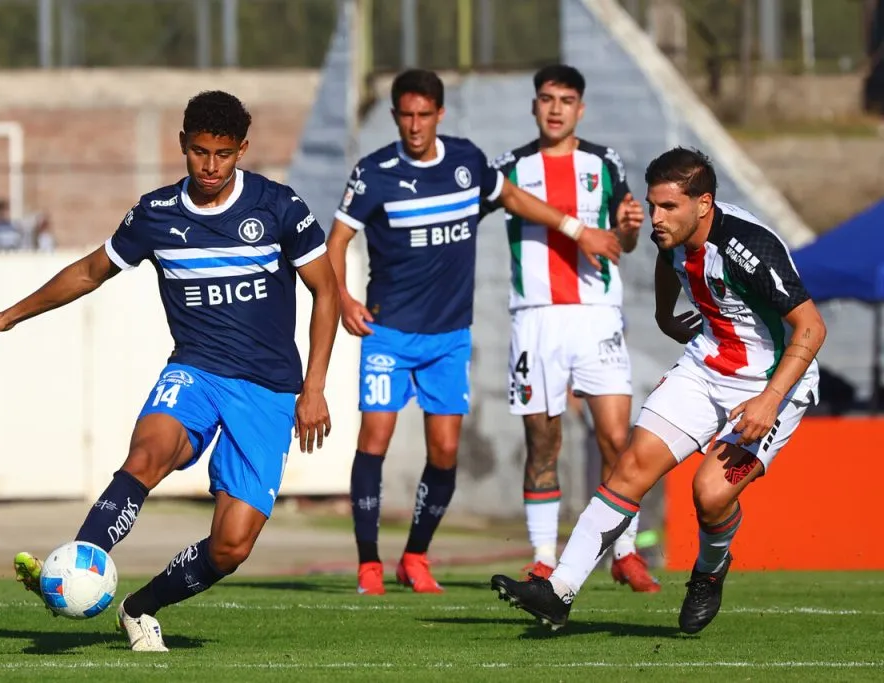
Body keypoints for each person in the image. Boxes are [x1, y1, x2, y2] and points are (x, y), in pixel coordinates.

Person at [0, 91, 340, 651]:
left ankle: (141, 607)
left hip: (267, 389)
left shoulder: (279, 207)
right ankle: (76, 566)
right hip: (195, 371)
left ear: (242, 149)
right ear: (183, 146)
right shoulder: (157, 215)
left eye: (222, 154)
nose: (209, 167)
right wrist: (9, 315)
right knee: (146, 456)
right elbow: (91, 270)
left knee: (232, 546)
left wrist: (314, 387)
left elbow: (326, 291)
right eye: (198, 152)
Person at [490, 147, 826, 634]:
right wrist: (664, 316)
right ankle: (558, 591)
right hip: (707, 364)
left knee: (709, 494)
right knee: (631, 466)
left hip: (774, 381)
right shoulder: (673, 232)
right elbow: (668, 263)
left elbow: (812, 329)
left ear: (704, 203)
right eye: (652, 205)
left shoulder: (749, 248)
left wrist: (770, 401)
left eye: (668, 207)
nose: (655, 217)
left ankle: (709, 572)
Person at [327, 68, 622, 595]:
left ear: (439, 115)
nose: (415, 126)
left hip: (448, 338)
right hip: (388, 332)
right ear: (395, 117)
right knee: (375, 438)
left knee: (444, 451)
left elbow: (514, 198)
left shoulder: (466, 162)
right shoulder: (373, 174)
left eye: (424, 115)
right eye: (405, 116)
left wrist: (579, 231)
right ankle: (368, 562)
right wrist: (345, 298)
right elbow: (336, 242)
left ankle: (414, 557)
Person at [481, 64, 659, 592]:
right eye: (546, 98)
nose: (555, 108)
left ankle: (624, 551)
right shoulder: (511, 166)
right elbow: (483, 207)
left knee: (614, 438)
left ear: (580, 109)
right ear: (534, 106)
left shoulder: (604, 161)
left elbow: (621, 241)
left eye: (565, 100)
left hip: (597, 315)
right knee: (543, 440)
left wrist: (627, 232)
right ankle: (542, 555)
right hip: (535, 319)